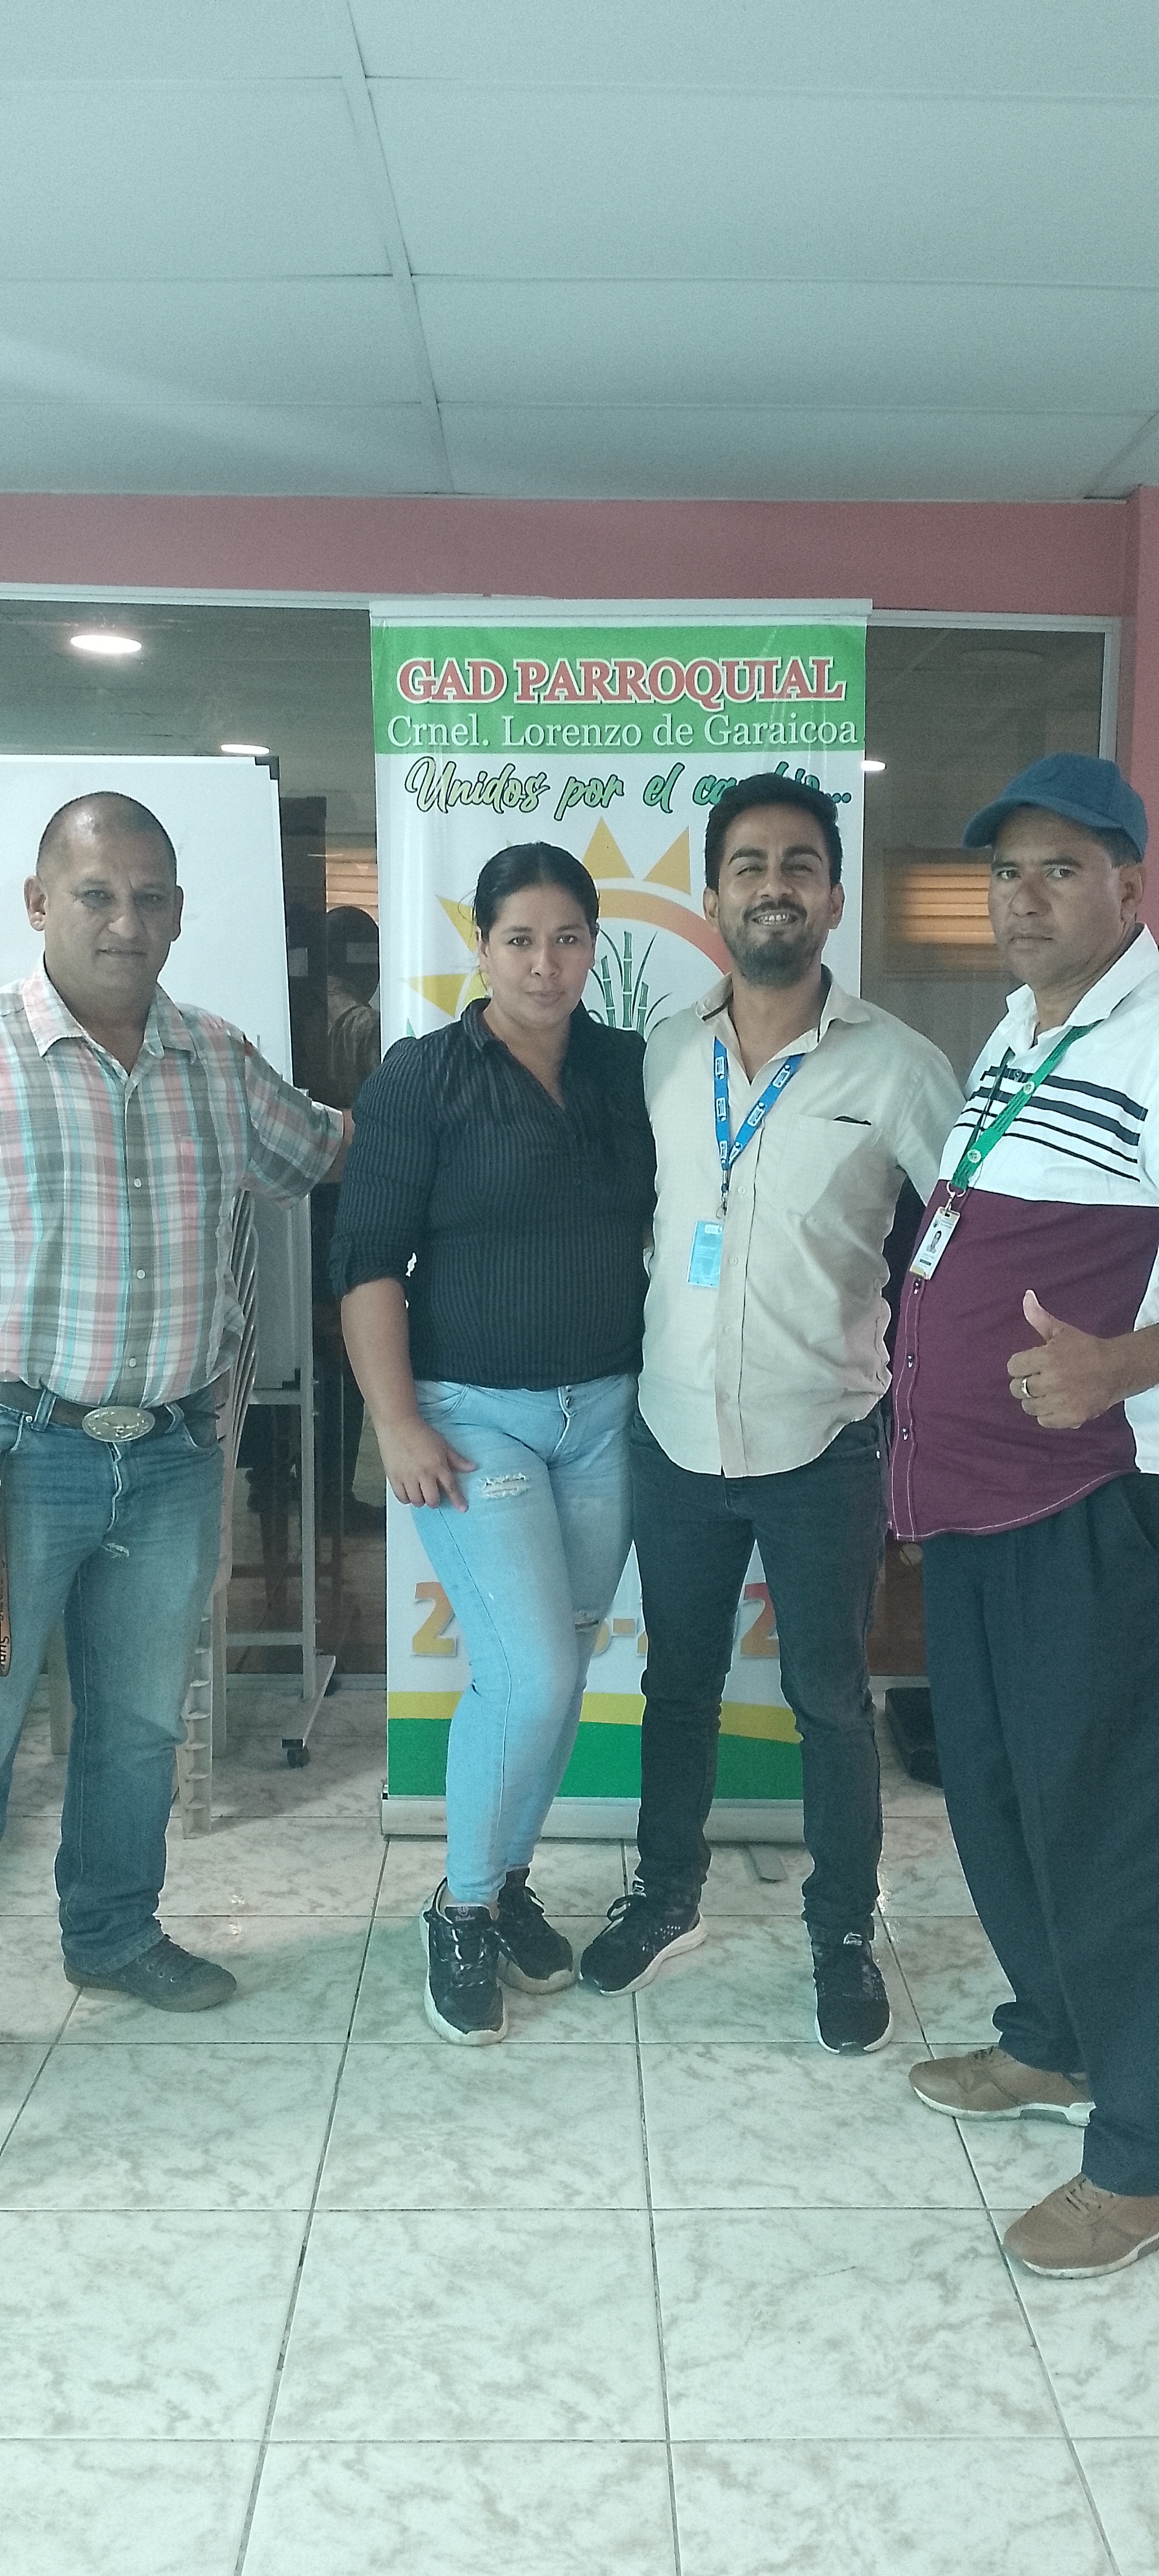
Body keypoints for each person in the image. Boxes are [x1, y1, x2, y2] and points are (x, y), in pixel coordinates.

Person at [580, 773, 962, 2049]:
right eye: (749, 865)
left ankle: (842, 1931)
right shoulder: (663, 1054)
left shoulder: (900, 1067)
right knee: (678, 1685)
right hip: (676, 1436)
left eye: (800, 864)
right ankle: (666, 1896)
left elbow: (967, 1240)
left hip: (826, 1442)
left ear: (834, 897)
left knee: (831, 1698)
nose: (774, 886)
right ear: (714, 896)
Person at [0, 792, 348, 2008]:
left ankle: (110, 1935)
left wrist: (465, 1081)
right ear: (38, 902)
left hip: (171, 1456)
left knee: (140, 1720)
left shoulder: (218, 1058)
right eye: (96, 894)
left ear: (181, 913)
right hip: (18, 1452)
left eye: (150, 898)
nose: (125, 921)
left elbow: (325, 1148)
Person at [893, 752, 1159, 2277]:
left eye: (1062, 868)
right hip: (974, 1497)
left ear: (1128, 883)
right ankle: (1051, 2036)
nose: (1025, 896)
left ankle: (1142, 2150)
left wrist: (1126, 1361)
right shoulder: (1016, 1030)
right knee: (992, 1793)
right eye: (1007, 870)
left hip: (1086, 1498)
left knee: (1105, 1821)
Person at [333, 842, 655, 2045]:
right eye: (520, 938)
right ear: (482, 947)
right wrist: (398, 1420)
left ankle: (506, 1876)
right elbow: (367, 1258)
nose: (545, 963)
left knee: (556, 1660)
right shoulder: (422, 1077)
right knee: (536, 1673)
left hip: (608, 1414)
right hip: (471, 1419)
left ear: (593, 947)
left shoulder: (628, 1068)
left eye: (569, 938)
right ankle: (461, 1906)